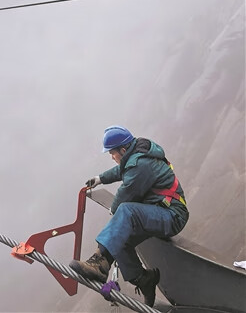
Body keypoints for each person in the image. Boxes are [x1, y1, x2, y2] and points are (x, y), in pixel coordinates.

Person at [69, 126, 189, 307]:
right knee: (121, 240)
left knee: (126, 211)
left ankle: (99, 262)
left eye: (112, 153)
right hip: (158, 212)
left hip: (172, 216)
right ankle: (144, 280)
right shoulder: (136, 156)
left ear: (123, 150)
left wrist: (114, 209)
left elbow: (126, 194)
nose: (112, 157)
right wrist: (100, 178)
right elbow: (121, 170)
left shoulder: (141, 165)